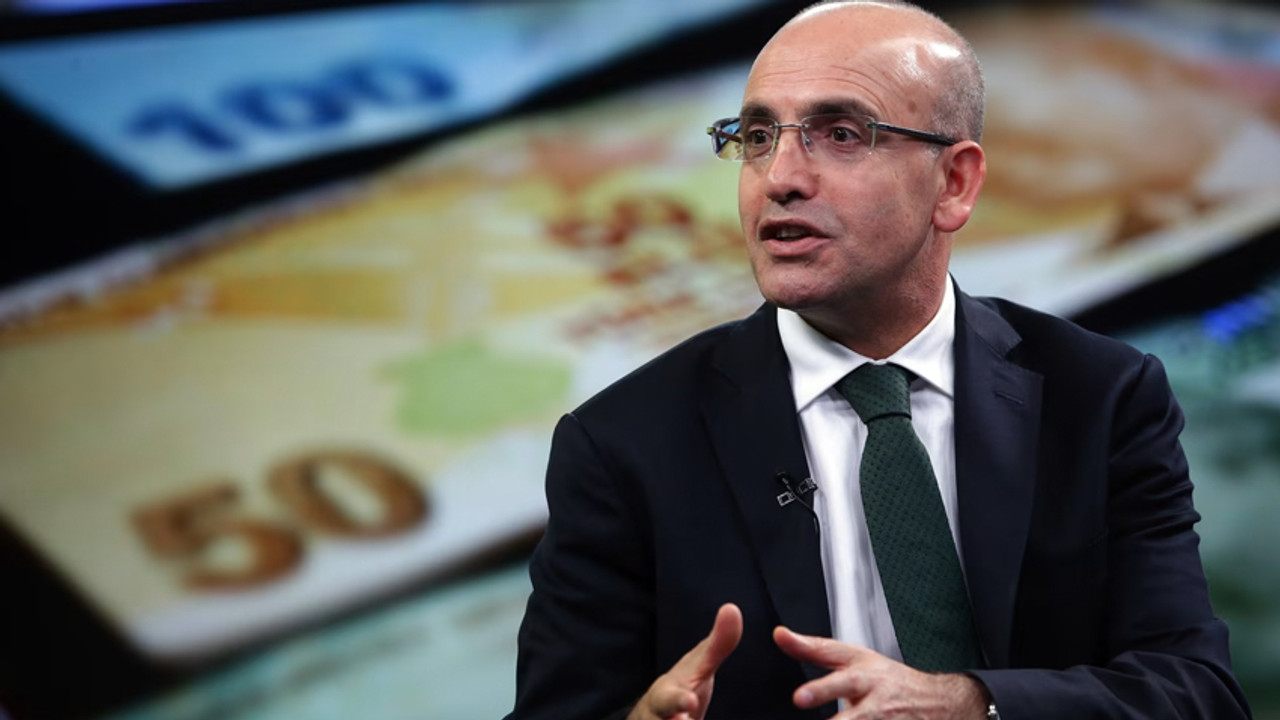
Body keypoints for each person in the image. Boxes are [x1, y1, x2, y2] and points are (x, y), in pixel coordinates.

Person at [505, 1, 1252, 718]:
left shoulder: (1101, 395)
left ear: (954, 183)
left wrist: (971, 706)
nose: (780, 178)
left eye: (840, 134)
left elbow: (1195, 692)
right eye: (758, 137)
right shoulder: (623, 444)